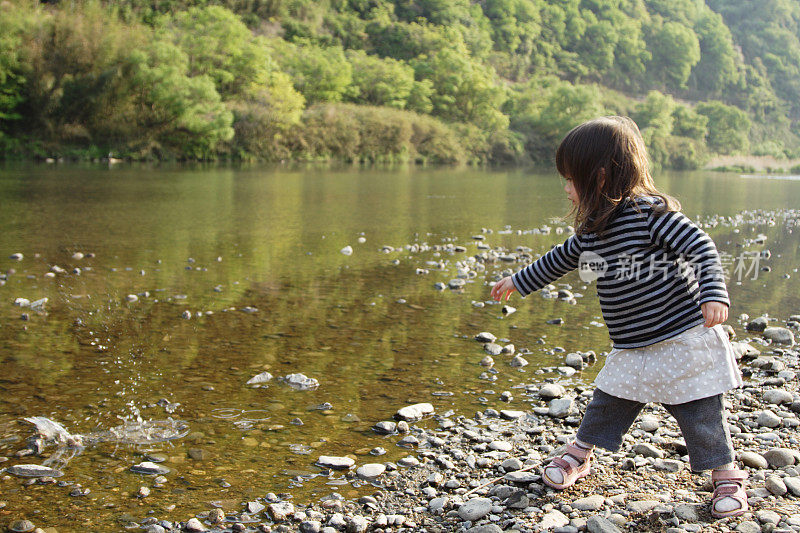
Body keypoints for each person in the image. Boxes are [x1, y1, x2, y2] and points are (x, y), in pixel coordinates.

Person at [490, 116, 747, 519]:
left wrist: (714, 294)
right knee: (608, 402)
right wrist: (518, 280)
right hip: (631, 345)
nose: (566, 188)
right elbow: (559, 259)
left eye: (571, 179)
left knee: (701, 412)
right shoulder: (593, 229)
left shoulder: (651, 215)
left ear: (601, 176)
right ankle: (580, 453)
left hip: (679, 336)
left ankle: (725, 474)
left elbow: (702, 248)